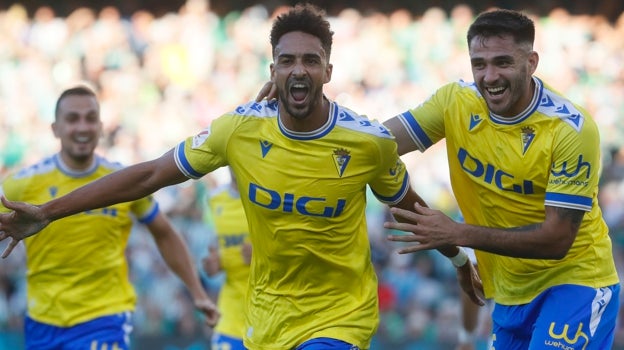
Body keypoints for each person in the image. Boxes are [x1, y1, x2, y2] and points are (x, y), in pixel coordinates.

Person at [0, 4, 481, 350]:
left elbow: (410, 206)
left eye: (310, 60)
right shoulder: (237, 131)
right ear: (273, 68)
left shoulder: (368, 143)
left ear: (328, 70)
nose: (299, 70)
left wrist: (459, 258)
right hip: (265, 322)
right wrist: (46, 212)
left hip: (340, 319)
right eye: (288, 60)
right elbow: (149, 175)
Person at [381, 9, 620, 350]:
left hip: (576, 282)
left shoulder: (570, 129)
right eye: (479, 64)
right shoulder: (454, 102)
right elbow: (376, 144)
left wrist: (458, 234)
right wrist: (283, 108)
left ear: (531, 62)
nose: (489, 76)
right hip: (509, 293)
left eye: (502, 62)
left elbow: (557, 240)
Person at [0, 85, 219, 349]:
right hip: (43, 322)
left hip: (106, 318)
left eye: (90, 119)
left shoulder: (122, 182)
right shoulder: (22, 185)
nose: (82, 127)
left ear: (102, 127)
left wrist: (197, 291)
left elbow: (164, 232)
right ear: (55, 129)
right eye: (72, 119)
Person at [201, 168, 251, 350]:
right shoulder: (214, 199)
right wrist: (215, 263)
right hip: (231, 313)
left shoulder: (270, 196)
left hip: (268, 312)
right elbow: (215, 246)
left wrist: (265, 254)